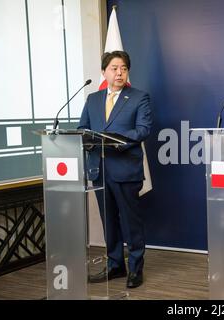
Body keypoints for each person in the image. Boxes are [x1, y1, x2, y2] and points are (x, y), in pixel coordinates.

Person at [78, 50, 152, 288]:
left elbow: (143, 130)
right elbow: (83, 128)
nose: (119, 72)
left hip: (125, 171)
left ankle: (136, 269)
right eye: (114, 68)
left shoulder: (139, 97)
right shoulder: (92, 99)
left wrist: (113, 139)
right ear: (104, 72)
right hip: (99, 171)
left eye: (123, 68)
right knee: (108, 221)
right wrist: (88, 139)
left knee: (131, 223)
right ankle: (115, 266)